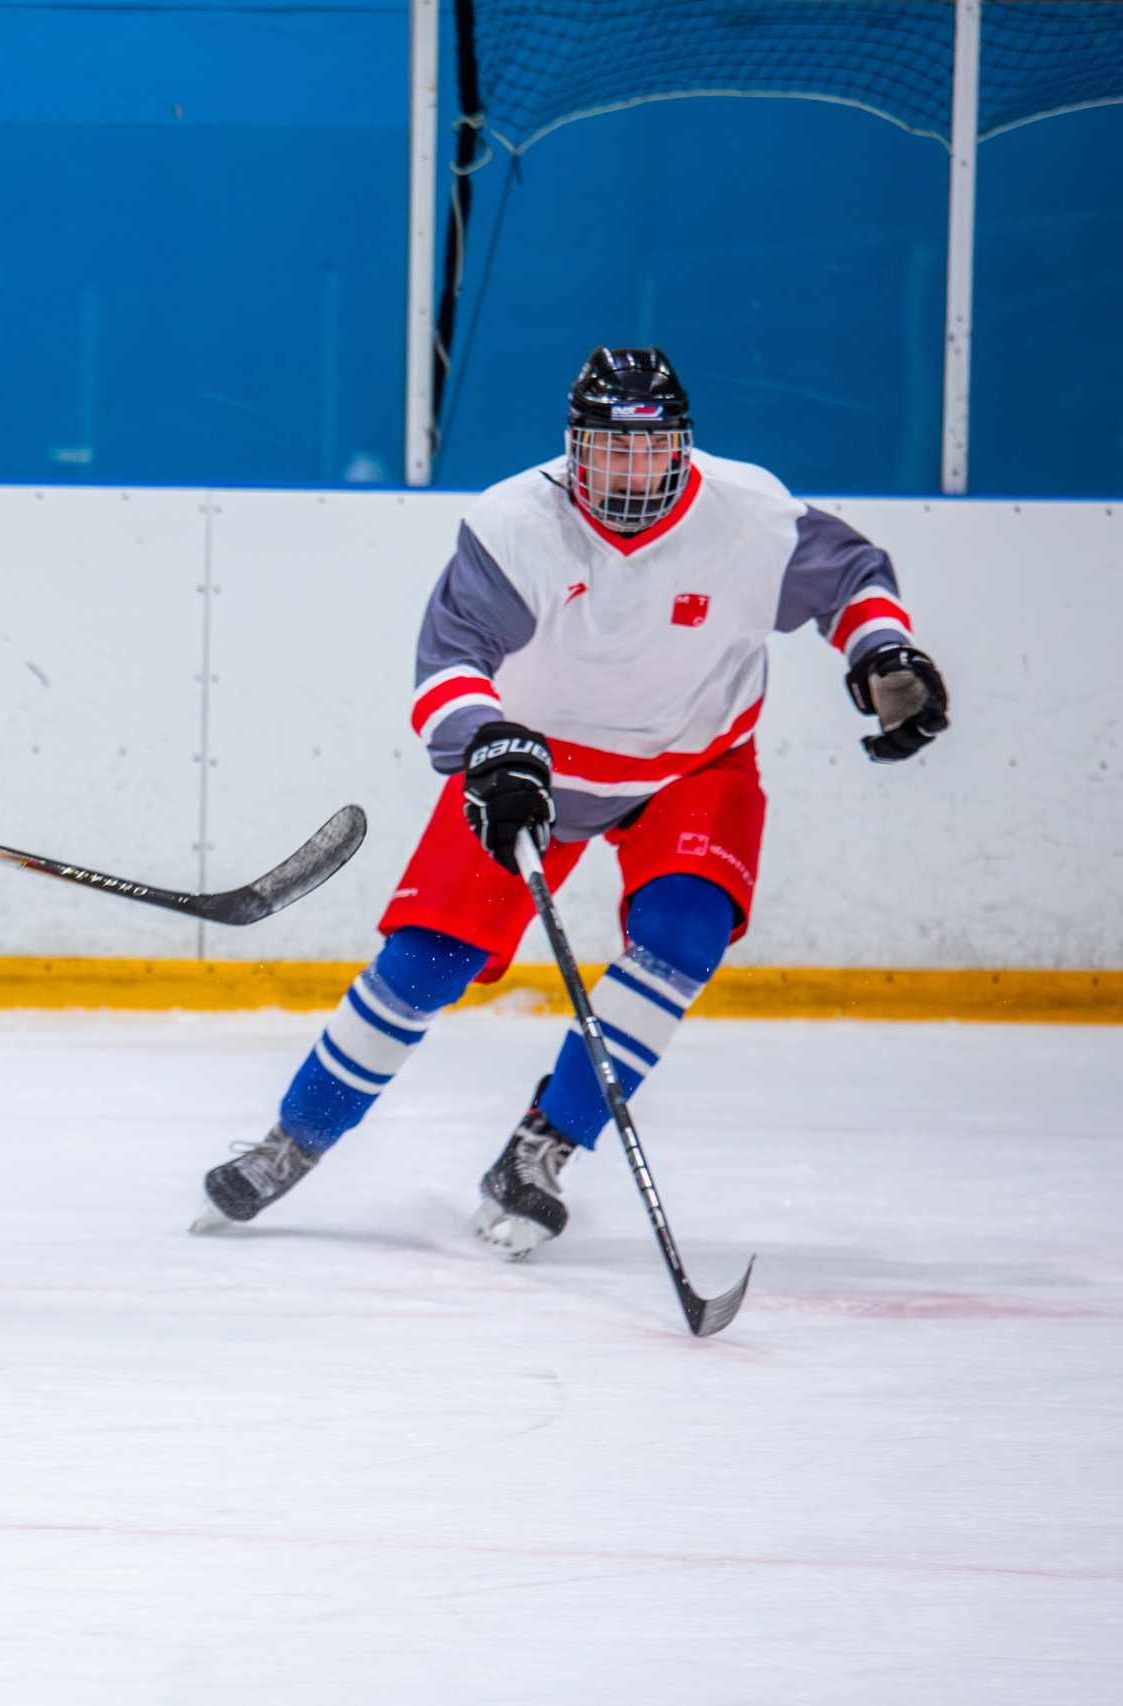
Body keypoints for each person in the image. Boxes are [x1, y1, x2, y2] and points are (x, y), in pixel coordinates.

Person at [194, 347, 950, 1255]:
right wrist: (488, 744)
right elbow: (449, 662)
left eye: (649, 449)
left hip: (693, 767)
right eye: (608, 450)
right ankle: (293, 1140)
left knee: (683, 940)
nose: (629, 471)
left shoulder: (749, 516)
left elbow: (852, 576)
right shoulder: (517, 525)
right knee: (428, 961)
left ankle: (542, 1149)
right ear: (573, 447)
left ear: (682, 447)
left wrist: (883, 650)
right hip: (534, 770)